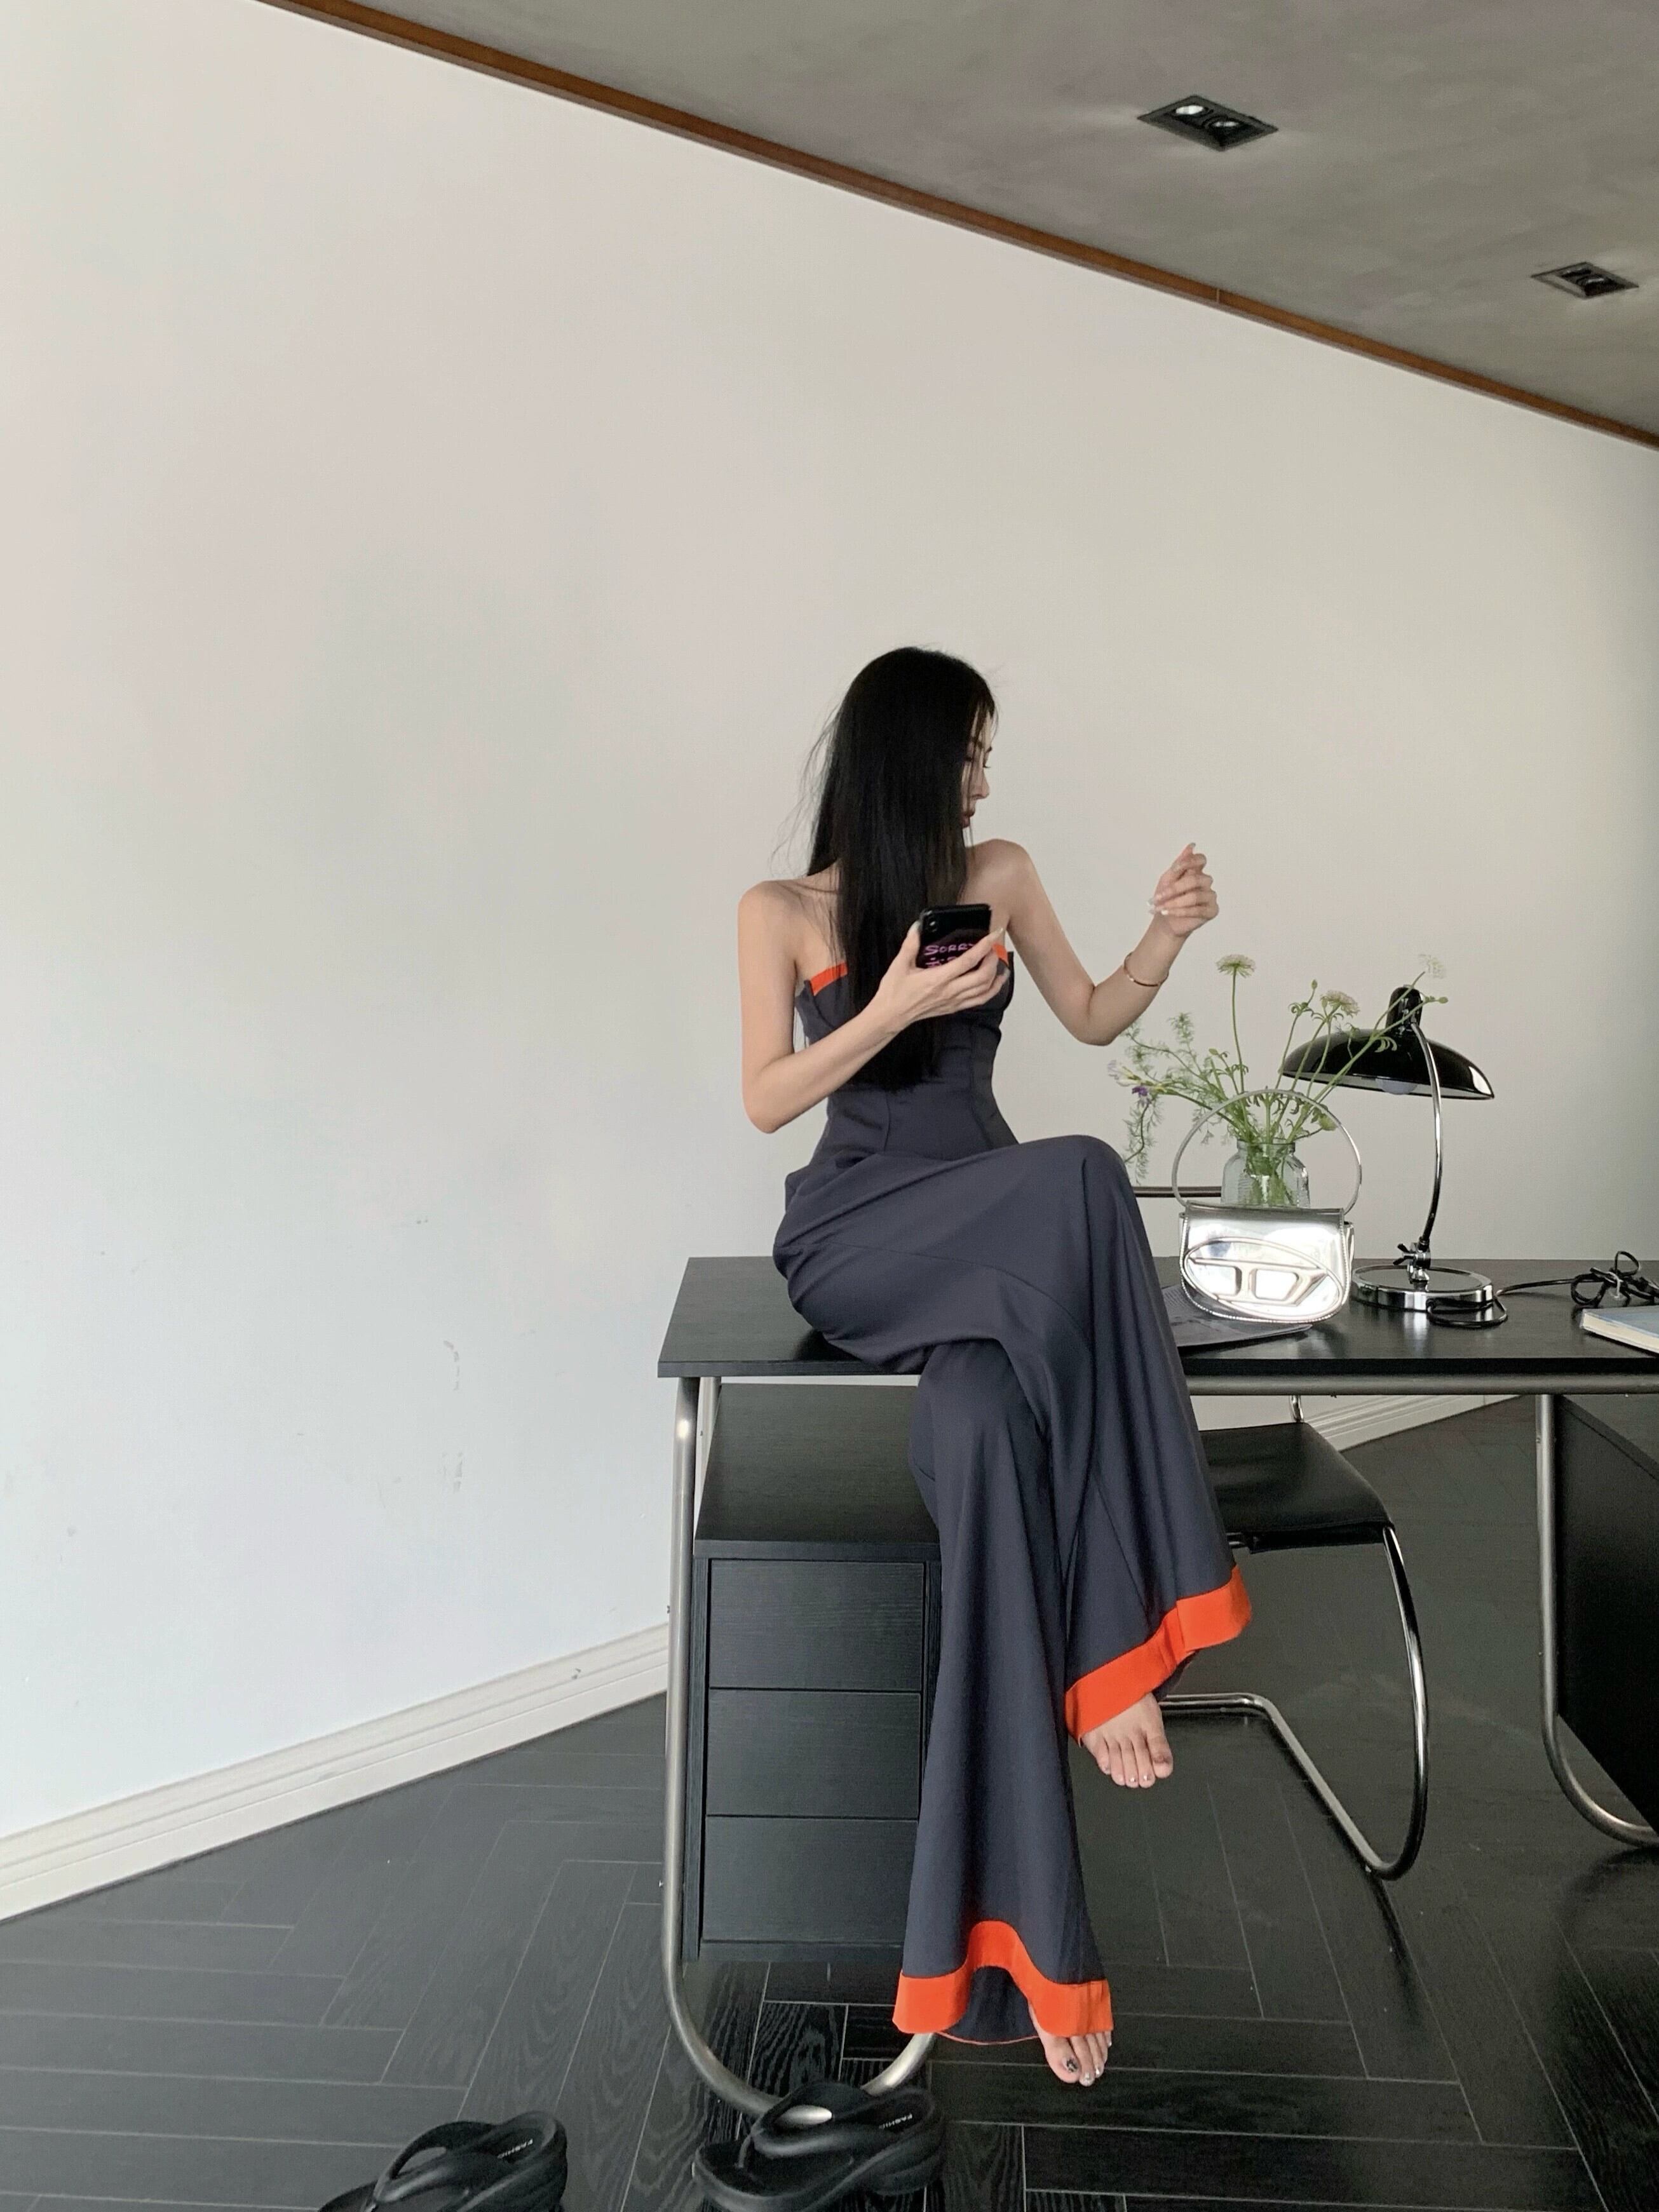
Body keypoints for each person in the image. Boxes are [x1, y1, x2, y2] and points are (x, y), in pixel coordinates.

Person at [735, 646, 1249, 2089]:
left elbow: (1090, 1013)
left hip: (990, 1220)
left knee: (976, 1416)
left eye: (984, 756)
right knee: (1085, 1178)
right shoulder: (783, 912)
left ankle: (1022, 1948)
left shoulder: (1001, 872)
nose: (979, 781)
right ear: (908, 756)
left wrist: (1162, 937)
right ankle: (1118, 1638)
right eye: (965, 754)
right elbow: (765, 1100)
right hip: (859, 1233)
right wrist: (890, 1006)